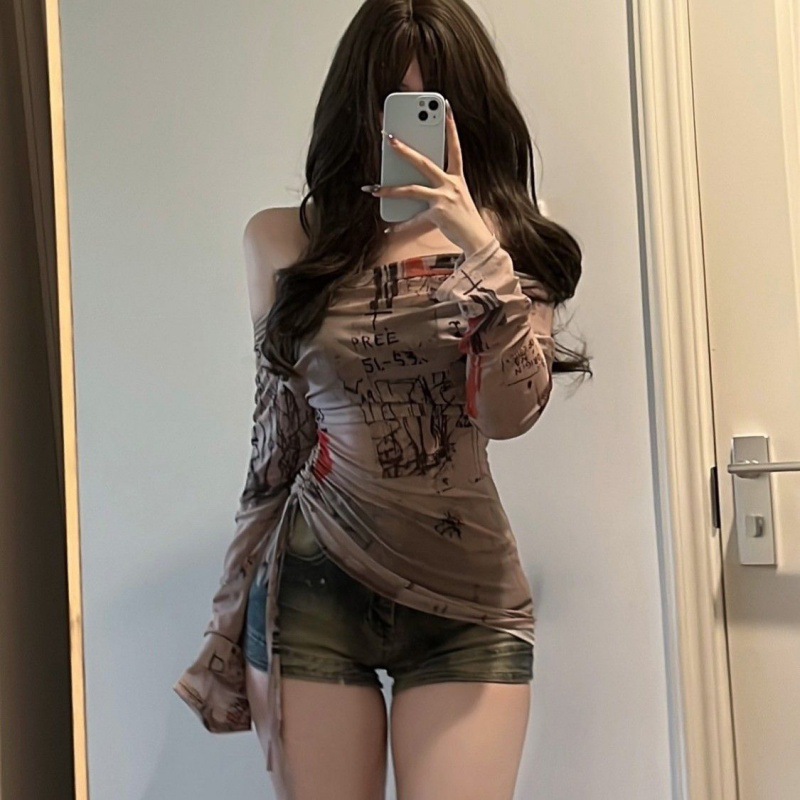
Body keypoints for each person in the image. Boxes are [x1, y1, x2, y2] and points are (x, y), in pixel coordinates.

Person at [173, 1, 590, 798]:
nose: (405, 138)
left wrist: (482, 253)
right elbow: (278, 444)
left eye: (431, 108)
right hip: (312, 587)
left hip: (468, 599)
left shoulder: (513, 244)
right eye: (392, 105)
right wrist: (226, 619)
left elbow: (510, 416)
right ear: (356, 108)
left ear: (470, 113)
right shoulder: (284, 241)